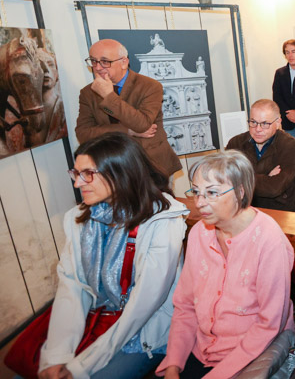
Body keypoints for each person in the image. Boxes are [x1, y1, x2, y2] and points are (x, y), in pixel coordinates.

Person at [38, 133, 188, 379]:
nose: (77, 183)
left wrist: (81, 366)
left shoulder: (161, 220)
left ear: (120, 173)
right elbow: (72, 287)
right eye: (75, 174)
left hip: (145, 332)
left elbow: (143, 305)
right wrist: (57, 356)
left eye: (87, 173)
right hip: (96, 320)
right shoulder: (78, 219)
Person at [158, 150, 295, 378]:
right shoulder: (199, 233)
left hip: (253, 354)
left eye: (211, 193)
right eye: (196, 192)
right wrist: (173, 364)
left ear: (240, 192)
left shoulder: (269, 240)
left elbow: (268, 325)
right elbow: (185, 306)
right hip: (202, 350)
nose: (200, 202)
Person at [75, 39, 182, 179]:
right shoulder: (87, 93)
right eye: (93, 61)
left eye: (105, 61)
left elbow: (142, 124)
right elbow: (83, 134)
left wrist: (108, 96)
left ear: (124, 62)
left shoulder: (150, 86)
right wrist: (128, 131)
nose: (98, 67)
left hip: (152, 166)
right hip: (113, 169)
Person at [226, 99, 295, 212]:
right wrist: (266, 176)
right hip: (246, 211)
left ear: (278, 123)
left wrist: (243, 179)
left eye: (265, 124)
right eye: (253, 122)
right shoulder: (236, 143)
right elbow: (227, 181)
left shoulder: (289, 145)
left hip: (281, 212)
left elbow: (274, 188)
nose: (258, 129)